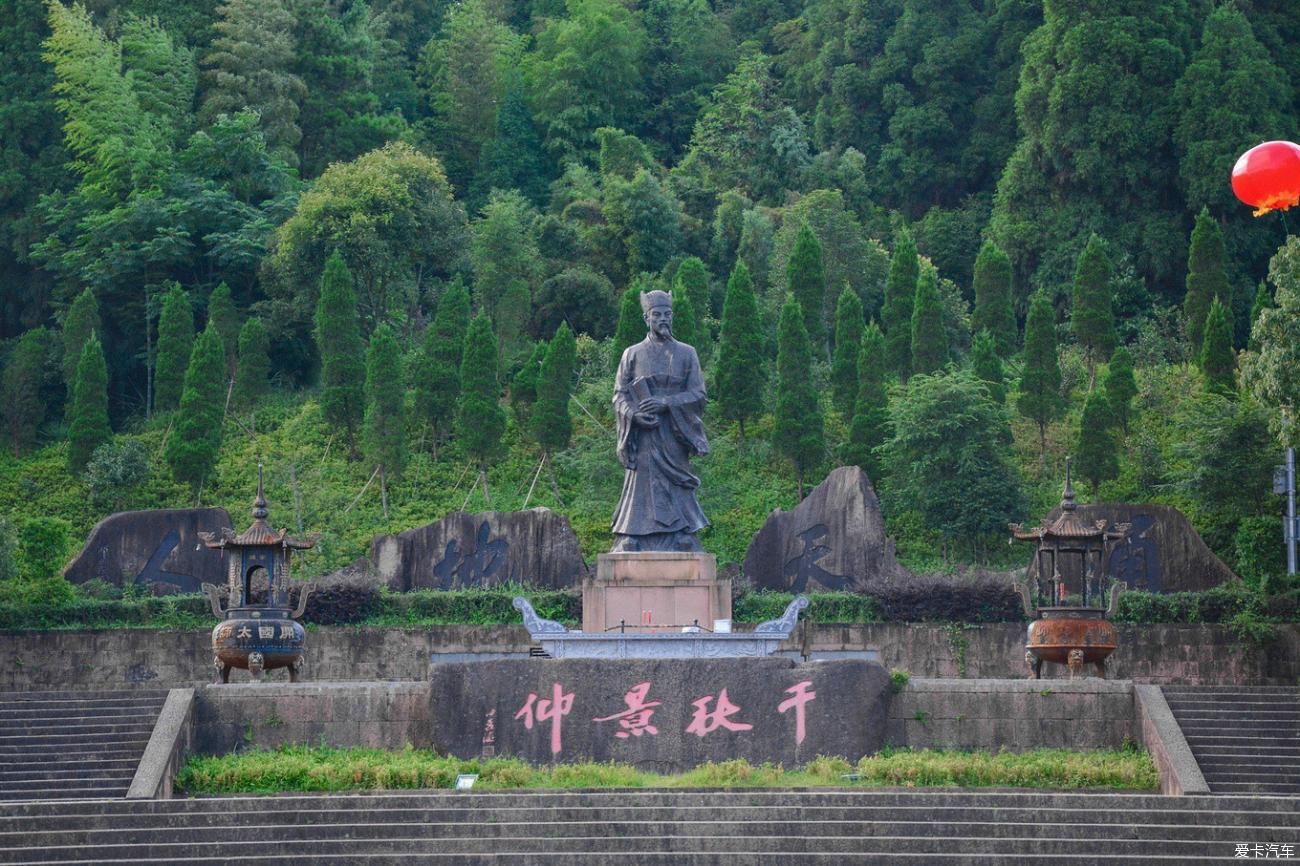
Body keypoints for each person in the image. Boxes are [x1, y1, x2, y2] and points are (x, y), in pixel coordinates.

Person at [610, 290, 710, 551]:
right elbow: (619, 395)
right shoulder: (632, 353)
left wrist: (666, 403)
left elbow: (699, 394)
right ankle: (633, 535)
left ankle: (681, 534)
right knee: (641, 483)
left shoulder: (687, 354)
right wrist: (633, 414)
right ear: (646, 318)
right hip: (644, 432)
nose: (663, 319)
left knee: (676, 482)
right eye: (657, 315)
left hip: (674, 430)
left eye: (667, 314)